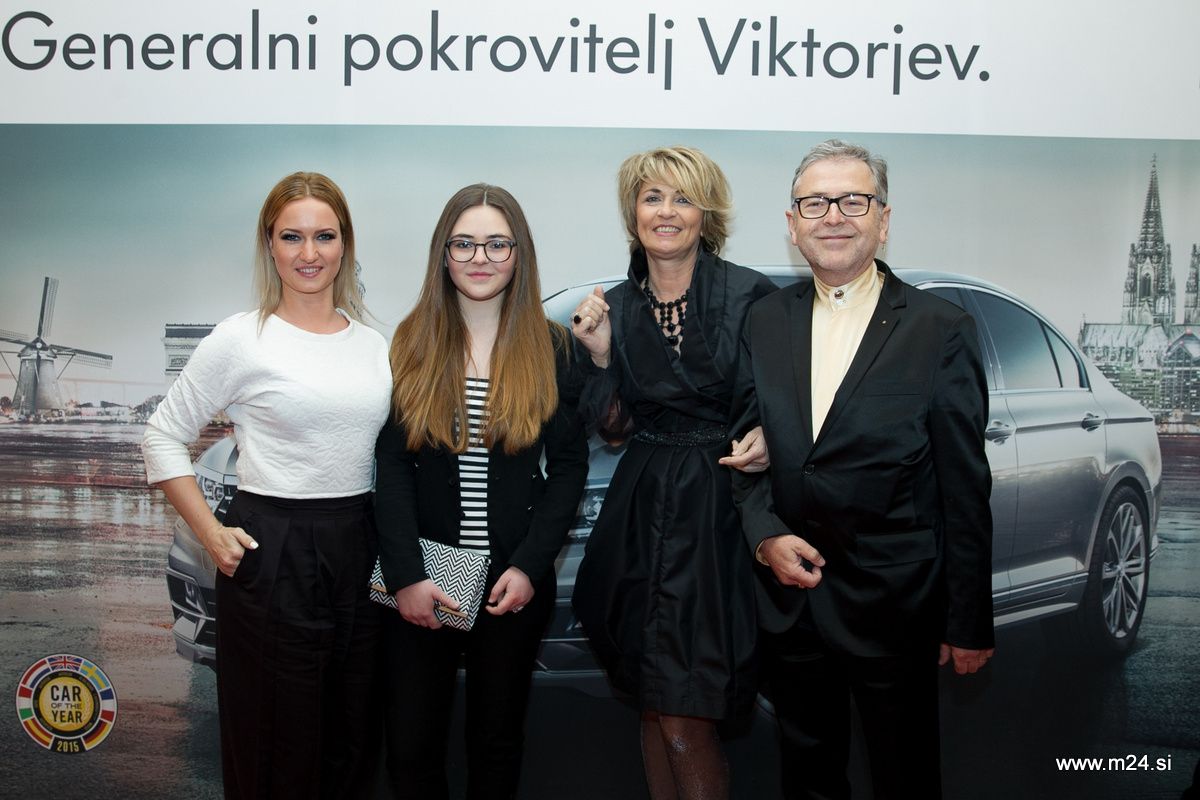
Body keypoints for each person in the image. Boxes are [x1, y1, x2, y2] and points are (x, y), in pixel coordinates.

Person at [729, 139, 995, 800]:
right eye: (814, 203)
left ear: (883, 219)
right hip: (791, 601)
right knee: (807, 780)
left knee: (906, 779)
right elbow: (744, 450)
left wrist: (967, 620)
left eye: (853, 200)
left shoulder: (940, 329)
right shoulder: (763, 321)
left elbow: (964, 487)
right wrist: (764, 536)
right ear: (792, 224)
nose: (833, 216)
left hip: (897, 606)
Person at [142, 172, 391, 799]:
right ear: (269, 245)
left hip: (361, 547)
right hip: (273, 550)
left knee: (352, 740)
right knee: (274, 744)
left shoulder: (374, 345)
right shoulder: (241, 338)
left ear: (345, 244)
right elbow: (162, 436)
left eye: (324, 236)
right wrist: (209, 532)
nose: (309, 253)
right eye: (292, 236)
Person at [570, 145, 775, 800]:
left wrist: (772, 437)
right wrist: (600, 356)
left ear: (705, 214)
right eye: (652, 197)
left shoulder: (752, 296)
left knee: (686, 711)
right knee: (655, 705)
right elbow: (614, 429)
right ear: (633, 213)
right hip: (642, 511)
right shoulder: (616, 307)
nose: (666, 211)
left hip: (721, 512)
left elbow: (788, 402)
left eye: (682, 198)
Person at [373, 183, 588, 800]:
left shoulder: (552, 348)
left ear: (519, 254)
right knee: (412, 748)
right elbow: (391, 467)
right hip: (425, 575)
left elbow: (569, 467)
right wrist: (406, 577)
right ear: (443, 254)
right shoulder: (411, 342)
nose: (480, 257)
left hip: (509, 581)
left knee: (496, 745)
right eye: (464, 243)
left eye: (497, 244)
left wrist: (529, 566)